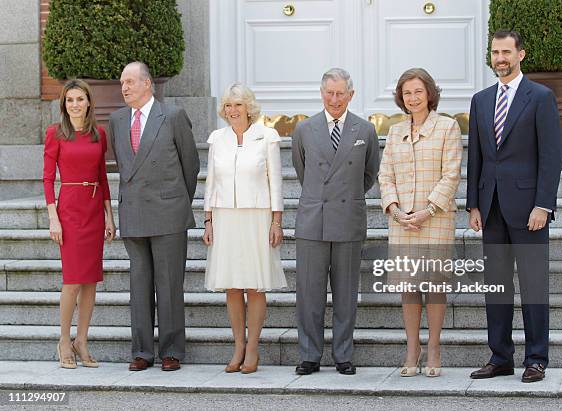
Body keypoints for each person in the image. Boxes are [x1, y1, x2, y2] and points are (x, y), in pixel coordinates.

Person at [467, 30, 562, 383]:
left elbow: (551, 157)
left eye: (507, 52)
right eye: (495, 52)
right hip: (490, 206)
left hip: (529, 209)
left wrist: (544, 205)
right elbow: (475, 155)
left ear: (521, 54)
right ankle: (500, 357)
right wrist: (473, 204)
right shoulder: (480, 100)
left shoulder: (540, 97)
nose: (500, 58)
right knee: (496, 287)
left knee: (534, 285)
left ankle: (536, 358)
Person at [107, 61, 200, 372]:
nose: (125, 87)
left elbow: (191, 166)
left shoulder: (172, 116)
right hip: (133, 213)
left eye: (131, 81)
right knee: (140, 284)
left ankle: (172, 350)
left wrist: (176, 201)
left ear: (148, 84)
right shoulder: (118, 120)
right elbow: (123, 165)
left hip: (168, 213)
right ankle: (142, 351)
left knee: (170, 284)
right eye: (122, 82)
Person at [292, 68, 380, 376]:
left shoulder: (365, 130)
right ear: (321, 93)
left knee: (345, 294)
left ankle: (343, 355)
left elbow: (369, 175)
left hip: (348, 219)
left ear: (351, 95)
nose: (334, 99)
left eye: (340, 93)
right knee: (309, 294)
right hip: (312, 220)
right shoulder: (304, 129)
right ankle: (309, 355)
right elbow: (302, 171)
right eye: (329, 93)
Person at [378, 68, 462, 377]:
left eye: (418, 91)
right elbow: (385, 175)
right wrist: (397, 211)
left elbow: (451, 174)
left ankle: (434, 348)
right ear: (401, 98)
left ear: (429, 93)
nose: (413, 98)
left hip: (435, 218)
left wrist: (426, 211)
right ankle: (412, 348)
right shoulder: (396, 131)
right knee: (408, 287)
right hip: (402, 222)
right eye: (407, 93)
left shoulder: (447, 127)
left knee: (434, 285)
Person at [203, 83, 286, 374]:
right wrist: (208, 219)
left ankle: (253, 348)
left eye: (238, 104)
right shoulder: (218, 138)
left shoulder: (267, 136)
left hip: (257, 216)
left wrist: (277, 221)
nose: (233, 110)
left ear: (249, 107)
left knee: (254, 284)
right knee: (232, 285)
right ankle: (238, 344)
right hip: (225, 217)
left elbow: (275, 182)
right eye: (228, 105)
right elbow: (211, 182)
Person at [43, 79, 115, 369]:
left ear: (88, 102)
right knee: (72, 280)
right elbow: (48, 178)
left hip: (94, 210)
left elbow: (103, 177)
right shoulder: (55, 134)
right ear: (64, 104)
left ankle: (82, 340)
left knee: (90, 281)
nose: (75, 104)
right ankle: (63, 340)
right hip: (69, 210)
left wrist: (110, 214)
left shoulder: (99, 134)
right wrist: (53, 218)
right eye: (69, 100)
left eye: (79, 99)